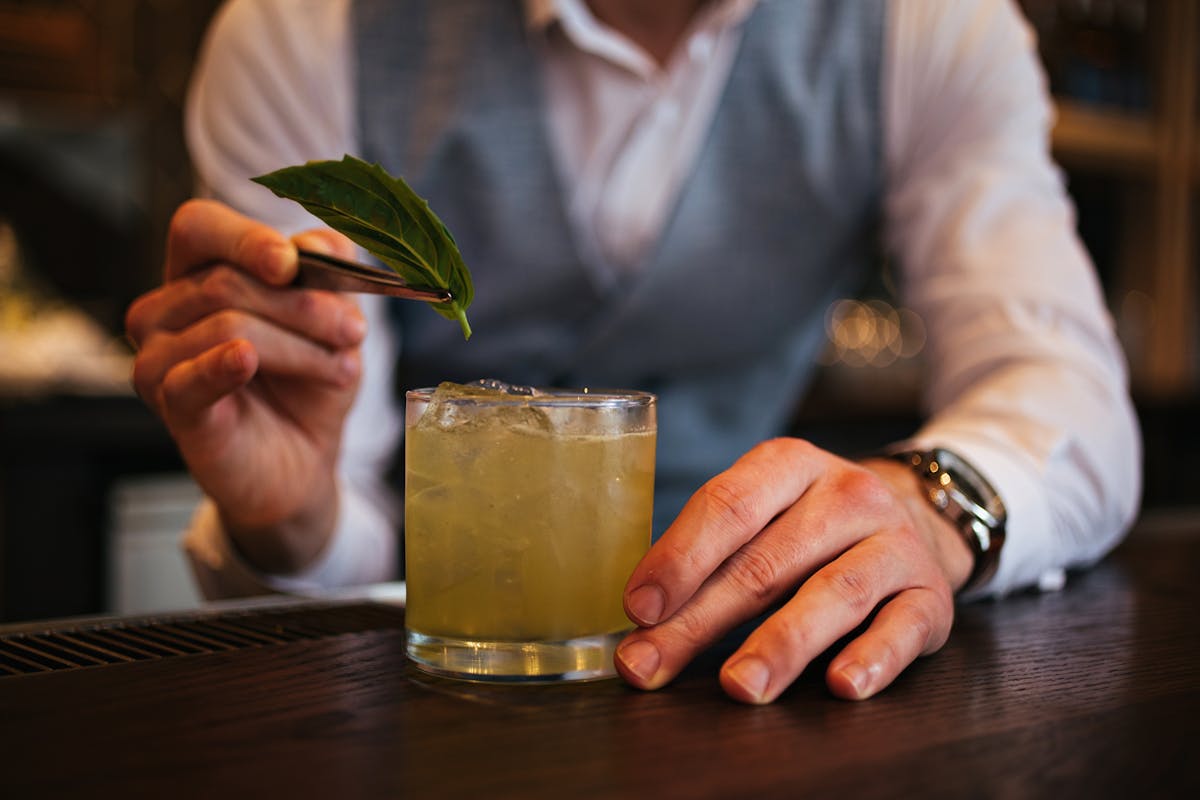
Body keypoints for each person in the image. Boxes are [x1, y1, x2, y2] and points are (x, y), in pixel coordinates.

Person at [124, 0, 1141, 704]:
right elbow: (347, 542)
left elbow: (1063, 385)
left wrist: (933, 500)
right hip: (442, 682)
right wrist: (295, 517)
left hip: (740, 676)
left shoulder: (928, 26)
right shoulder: (305, 29)